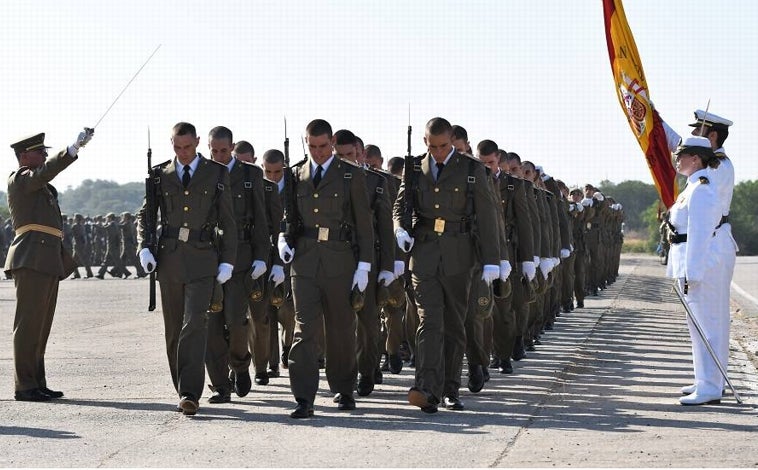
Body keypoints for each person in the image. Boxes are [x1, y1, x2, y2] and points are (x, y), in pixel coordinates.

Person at [393, 117, 499, 413]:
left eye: (443, 146)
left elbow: (488, 216)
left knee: (454, 324)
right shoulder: (414, 168)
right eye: (432, 146)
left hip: (459, 255)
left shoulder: (471, 169)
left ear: (452, 140)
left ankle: (450, 389)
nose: (438, 152)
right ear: (425, 141)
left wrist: (492, 261)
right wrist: (400, 228)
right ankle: (426, 389)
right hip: (424, 253)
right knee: (429, 321)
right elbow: (401, 205)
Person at [137, 122, 237, 415]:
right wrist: (143, 246)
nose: (182, 153)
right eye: (177, 147)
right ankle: (182, 387)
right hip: (169, 258)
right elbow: (145, 214)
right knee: (173, 330)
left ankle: (190, 392)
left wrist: (228, 260)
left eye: (188, 147)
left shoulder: (216, 172)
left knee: (194, 322)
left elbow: (227, 220)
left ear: (197, 142)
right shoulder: (159, 174)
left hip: (203, 257)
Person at [278, 119, 374, 418]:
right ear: (305, 141)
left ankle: (344, 389)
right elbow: (287, 215)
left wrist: (364, 265)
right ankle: (304, 398)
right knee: (304, 331)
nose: (318, 152)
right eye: (312, 146)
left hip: (340, 260)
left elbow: (364, 225)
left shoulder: (350, 175)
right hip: (304, 262)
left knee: (341, 329)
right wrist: (282, 238)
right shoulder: (295, 174)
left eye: (323, 146)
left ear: (331, 142)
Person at [5, 128, 94, 401]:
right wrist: (70, 150)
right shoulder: (21, 179)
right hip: (31, 257)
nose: (44, 155)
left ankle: (37, 382)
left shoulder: (41, 186)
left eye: (46, 151)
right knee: (29, 324)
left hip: (45, 257)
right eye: (39, 152)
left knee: (41, 326)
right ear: (24, 157)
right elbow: (44, 173)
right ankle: (25, 385)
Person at [204, 127, 270, 403]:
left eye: (223, 150)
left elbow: (261, 219)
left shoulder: (250, 174)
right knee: (211, 324)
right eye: (214, 150)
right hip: (207, 256)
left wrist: (262, 257)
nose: (219, 156)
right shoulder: (202, 172)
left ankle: (240, 365)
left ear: (232, 148)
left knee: (235, 319)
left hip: (242, 257)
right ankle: (220, 384)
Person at [665, 136, 725, 405]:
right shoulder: (690, 188)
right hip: (687, 264)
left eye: (682, 155)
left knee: (709, 326)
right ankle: (703, 379)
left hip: (699, 266)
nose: (677, 159)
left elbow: (700, 235)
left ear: (696, 159)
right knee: (696, 326)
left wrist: (693, 273)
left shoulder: (701, 190)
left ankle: (712, 385)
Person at [71, 213, 94, 278]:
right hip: (81, 244)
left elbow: (71, 234)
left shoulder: (74, 226)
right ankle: (76, 274)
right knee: (74, 261)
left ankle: (89, 273)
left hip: (77, 245)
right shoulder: (82, 226)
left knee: (83, 260)